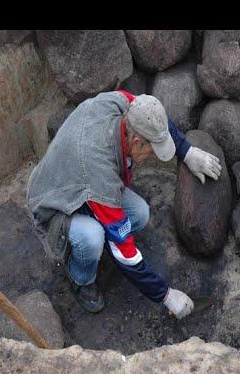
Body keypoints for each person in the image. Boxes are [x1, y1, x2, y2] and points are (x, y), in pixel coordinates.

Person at [26, 90, 222, 319]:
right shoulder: (99, 170)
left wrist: (187, 152)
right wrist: (166, 295)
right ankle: (80, 277)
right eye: (151, 152)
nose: (154, 156)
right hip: (54, 204)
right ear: (137, 142)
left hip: (77, 182)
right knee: (92, 238)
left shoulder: (123, 104)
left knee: (140, 213)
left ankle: (101, 232)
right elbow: (126, 253)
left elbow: (155, 120)